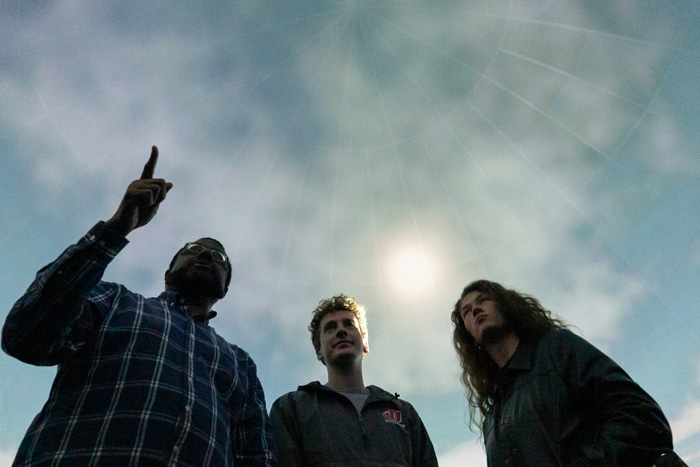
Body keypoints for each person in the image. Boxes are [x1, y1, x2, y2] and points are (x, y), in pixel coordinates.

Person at [2, 147, 274, 466]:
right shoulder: (114, 301)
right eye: (194, 249)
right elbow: (26, 335)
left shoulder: (241, 363)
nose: (205, 255)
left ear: (225, 289)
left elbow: (256, 456)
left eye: (220, 258)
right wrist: (118, 226)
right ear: (167, 273)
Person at [451, 279, 687, 467]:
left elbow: (642, 417)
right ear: (468, 334)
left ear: (505, 305)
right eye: (466, 312)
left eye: (484, 300)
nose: (475, 310)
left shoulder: (557, 349)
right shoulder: (492, 420)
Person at [270, 294, 438, 466]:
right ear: (318, 351)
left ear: (365, 343)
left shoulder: (404, 412)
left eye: (349, 324)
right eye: (330, 328)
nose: (341, 331)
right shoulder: (291, 409)